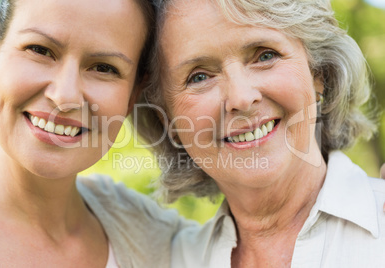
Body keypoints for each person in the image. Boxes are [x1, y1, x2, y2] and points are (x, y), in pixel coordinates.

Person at [137, 0, 385, 267]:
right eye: (199, 77)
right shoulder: (173, 260)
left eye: (265, 55)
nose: (241, 98)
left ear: (319, 73)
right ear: (168, 121)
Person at [0, 0, 189, 267]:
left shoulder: (156, 238)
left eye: (104, 68)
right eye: (40, 50)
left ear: (132, 97)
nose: (64, 96)